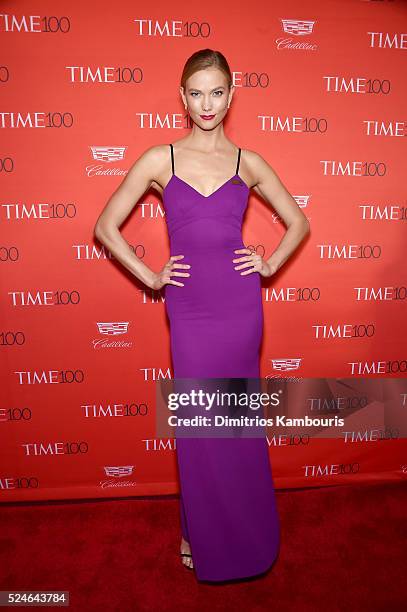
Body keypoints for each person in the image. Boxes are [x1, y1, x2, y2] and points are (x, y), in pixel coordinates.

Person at [94, 48, 310, 582]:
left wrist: (269, 263)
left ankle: (246, 537)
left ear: (232, 95)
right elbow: (105, 226)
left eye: (217, 92)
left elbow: (299, 222)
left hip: (239, 307)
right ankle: (200, 532)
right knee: (197, 424)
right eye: (196, 93)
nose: (206, 103)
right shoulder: (159, 159)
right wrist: (150, 276)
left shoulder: (247, 162)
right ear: (182, 97)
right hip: (190, 310)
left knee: (236, 425)